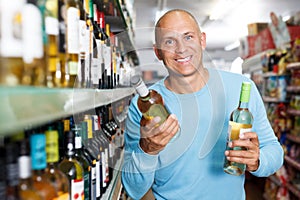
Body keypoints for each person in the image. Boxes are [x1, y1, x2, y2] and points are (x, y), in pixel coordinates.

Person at [121, 9, 284, 200]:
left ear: (202, 40)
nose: (181, 49)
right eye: (169, 41)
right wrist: (147, 150)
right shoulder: (142, 107)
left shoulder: (241, 87)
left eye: (188, 37)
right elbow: (133, 188)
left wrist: (257, 160)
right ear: (158, 52)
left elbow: (274, 151)